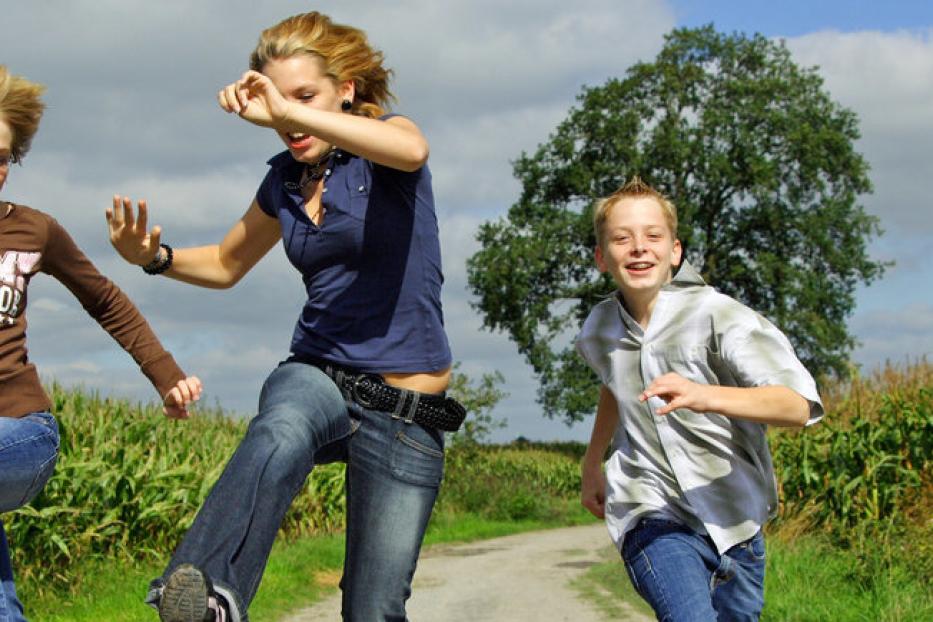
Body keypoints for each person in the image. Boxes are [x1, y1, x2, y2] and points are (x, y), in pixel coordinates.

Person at [106, 11, 464, 622]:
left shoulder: (383, 147)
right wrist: (154, 258)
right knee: (277, 432)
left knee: (372, 610)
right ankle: (208, 598)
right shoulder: (284, 181)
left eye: (304, 96)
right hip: (320, 372)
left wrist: (287, 111)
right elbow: (224, 262)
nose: (287, 118)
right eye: (278, 101)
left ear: (344, 90)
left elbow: (413, 149)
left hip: (405, 407)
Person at [0, 66, 202, 622]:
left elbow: (104, 298)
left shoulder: (34, 230)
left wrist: (166, 375)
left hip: (21, 433)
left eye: (2, 158)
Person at [576, 177, 824, 621]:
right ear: (601, 257)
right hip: (650, 509)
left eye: (653, 236)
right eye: (622, 238)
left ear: (675, 251)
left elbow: (798, 404)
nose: (639, 247)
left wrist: (705, 395)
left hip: (735, 521)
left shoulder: (718, 315)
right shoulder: (599, 329)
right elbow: (615, 384)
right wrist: (593, 462)